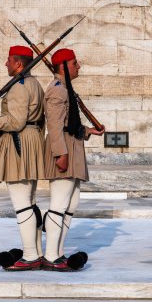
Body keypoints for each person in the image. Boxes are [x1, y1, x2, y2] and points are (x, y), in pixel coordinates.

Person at [0, 45, 45, 271]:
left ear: (18, 64)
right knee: (30, 202)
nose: (5, 64)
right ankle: (37, 251)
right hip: (30, 140)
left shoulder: (19, 87)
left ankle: (31, 255)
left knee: (22, 203)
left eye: (8, 61)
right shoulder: (34, 84)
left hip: (18, 142)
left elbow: (15, 122)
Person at [42, 48, 105, 271]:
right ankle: (50, 255)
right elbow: (55, 126)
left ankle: (58, 251)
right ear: (63, 66)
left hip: (73, 147)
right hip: (65, 150)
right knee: (59, 204)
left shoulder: (66, 88)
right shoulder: (57, 90)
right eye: (74, 63)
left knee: (71, 204)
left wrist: (89, 131)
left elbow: (71, 123)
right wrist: (61, 154)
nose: (78, 67)